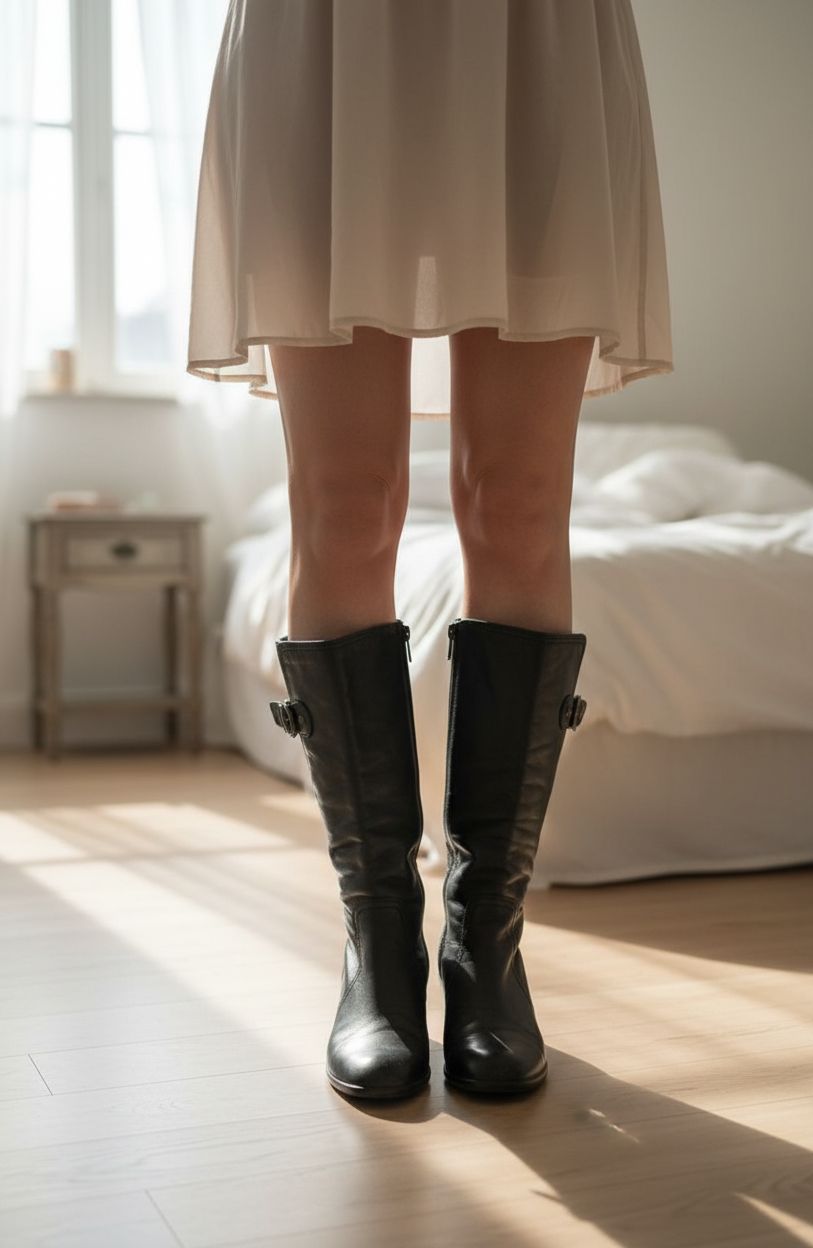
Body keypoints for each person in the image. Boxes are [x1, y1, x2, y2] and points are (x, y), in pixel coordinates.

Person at [187, 0, 673, 1102]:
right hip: (328, 37)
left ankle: (484, 949)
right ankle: (380, 949)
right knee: (346, 505)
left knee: (517, 501)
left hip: (528, 36)